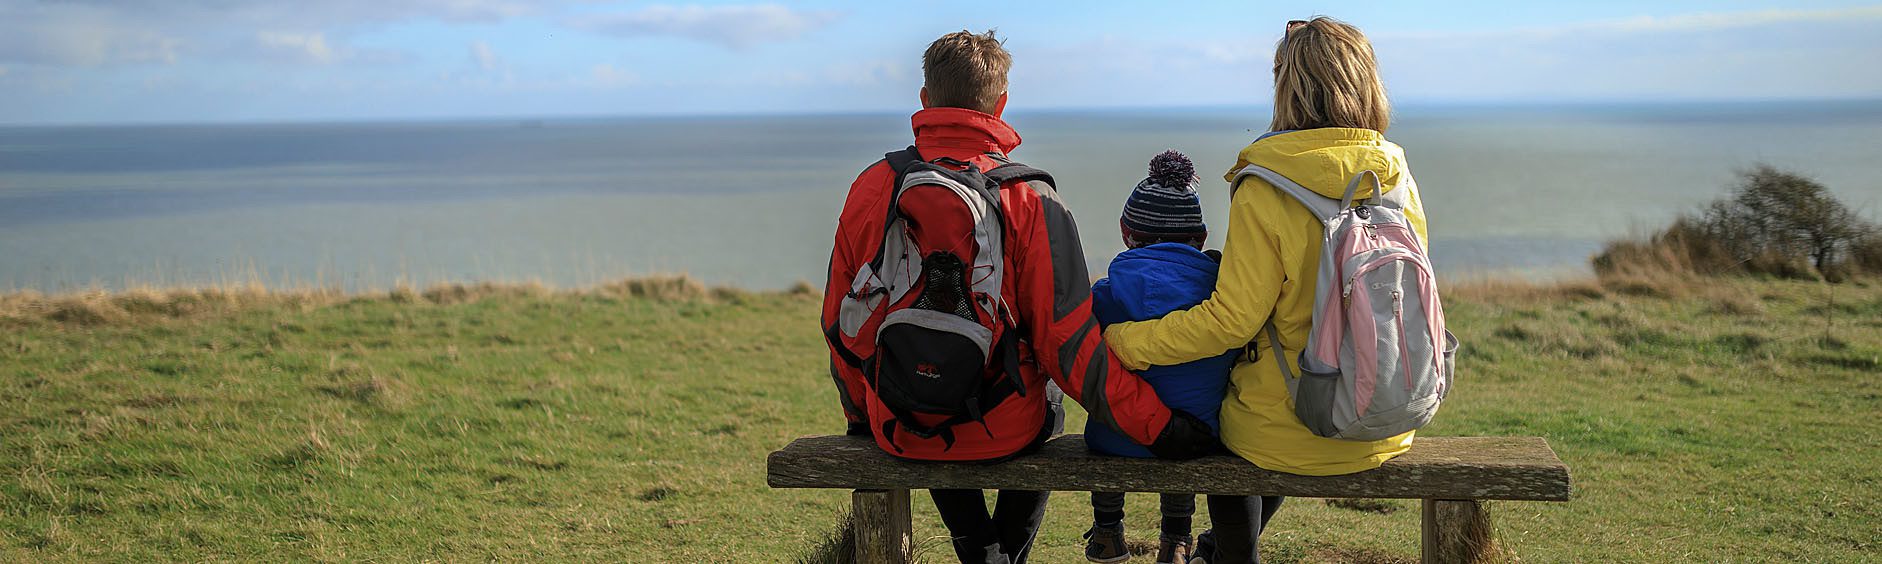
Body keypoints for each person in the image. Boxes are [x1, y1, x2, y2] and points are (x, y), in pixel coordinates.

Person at [820, 30, 1218, 564]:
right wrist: (1161, 427)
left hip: (899, 424)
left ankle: (977, 546)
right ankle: (1002, 549)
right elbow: (1069, 348)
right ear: (1001, 102)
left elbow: (839, 321)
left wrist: (863, 416)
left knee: (926, 382)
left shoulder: (872, 187)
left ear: (924, 99)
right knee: (1048, 402)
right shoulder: (1033, 200)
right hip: (1005, 427)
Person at [1101, 17, 1429, 564]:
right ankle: (1213, 549)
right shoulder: (1395, 177)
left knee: (1238, 422)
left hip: (1290, 429)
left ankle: (1231, 553)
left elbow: (1231, 321)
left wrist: (1125, 341)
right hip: (1386, 420)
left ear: (1288, 86)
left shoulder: (1266, 186)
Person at [1080, 150, 1241, 564]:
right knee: (1183, 411)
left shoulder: (1104, 297)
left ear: (1125, 232)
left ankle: (1107, 531)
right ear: (1201, 238)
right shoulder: (1220, 301)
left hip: (1111, 441)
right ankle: (1176, 540)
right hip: (1197, 438)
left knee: (1115, 411)